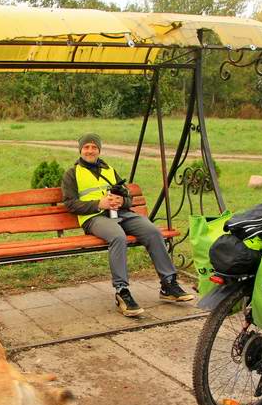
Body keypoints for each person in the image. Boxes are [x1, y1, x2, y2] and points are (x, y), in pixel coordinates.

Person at [62, 133, 194, 317]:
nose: (90, 151)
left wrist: (120, 200)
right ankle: (122, 291)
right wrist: (99, 204)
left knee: (153, 231)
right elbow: (69, 204)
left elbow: (128, 199)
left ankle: (168, 284)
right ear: (80, 150)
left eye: (94, 147)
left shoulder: (109, 169)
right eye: (86, 147)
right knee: (118, 236)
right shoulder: (72, 173)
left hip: (121, 213)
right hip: (94, 218)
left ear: (99, 150)